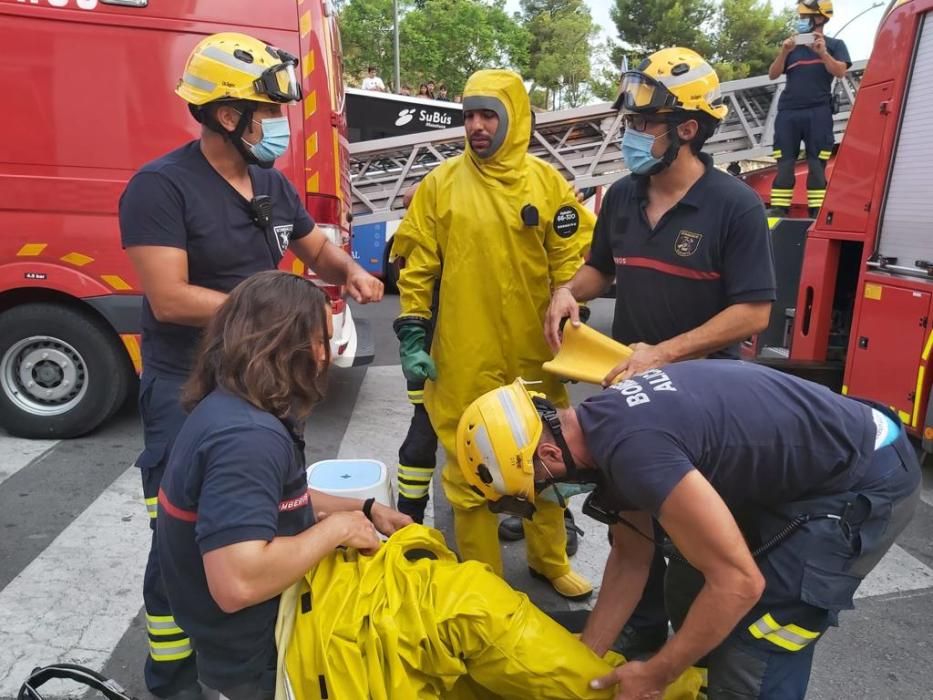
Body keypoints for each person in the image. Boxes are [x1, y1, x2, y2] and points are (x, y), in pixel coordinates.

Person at [156, 271, 702, 700]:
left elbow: (278, 500)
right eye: (322, 341)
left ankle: (587, 674)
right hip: (275, 638)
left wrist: (365, 508)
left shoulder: (230, 412)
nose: (326, 355)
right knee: (473, 610)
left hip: (287, 608)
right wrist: (338, 530)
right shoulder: (246, 439)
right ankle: (633, 689)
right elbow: (238, 583)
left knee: (452, 592)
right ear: (285, 345)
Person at [119, 32, 383, 700]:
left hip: (263, 379)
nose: (279, 128)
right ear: (227, 115)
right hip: (190, 388)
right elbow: (169, 297)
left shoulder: (268, 182)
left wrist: (348, 270)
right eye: (266, 114)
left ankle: (250, 644)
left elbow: (313, 250)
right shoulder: (161, 188)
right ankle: (173, 677)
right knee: (178, 543)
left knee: (261, 509)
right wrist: (277, 318)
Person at [459, 362, 922, 700]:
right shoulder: (600, 425)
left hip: (860, 475)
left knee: (763, 637)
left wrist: (657, 673)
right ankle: (701, 684)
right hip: (804, 464)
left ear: (549, 455)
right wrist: (587, 656)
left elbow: (741, 583)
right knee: (688, 581)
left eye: (541, 487)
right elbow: (631, 557)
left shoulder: (637, 454)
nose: (552, 496)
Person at [541, 46, 776, 657]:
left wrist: (665, 354)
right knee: (632, 524)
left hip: (710, 410)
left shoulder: (735, 207)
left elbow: (753, 311)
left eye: (645, 124)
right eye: (632, 124)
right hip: (631, 388)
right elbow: (600, 270)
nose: (632, 136)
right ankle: (635, 637)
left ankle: (693, 650)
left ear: (688, 129)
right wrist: (569, 292)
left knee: (697, 540)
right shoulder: (621, 197)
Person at [391, 68, 596, 600]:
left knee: (545, 457)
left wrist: (568, 292)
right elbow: (418, 269)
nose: (477, 127)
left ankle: (549, 560)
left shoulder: (548, 184)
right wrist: (413, 336)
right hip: (465, 352)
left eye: (488, 115)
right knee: (467, 466)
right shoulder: (440, 186)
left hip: (534, 354)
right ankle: (485, 581)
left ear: (514, 118)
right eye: (469, 117)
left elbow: (571, 260)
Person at [768, 0, 851, 217]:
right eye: (800, 17)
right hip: (788, 113)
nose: (801, 21)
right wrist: (785, 52)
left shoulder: (835, 45)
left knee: (816, 163)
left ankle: (816, 212)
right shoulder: (792, 48)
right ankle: (779, 210)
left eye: (805, 17)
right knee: (785, 163)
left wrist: (823, 53)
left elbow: (840, 71)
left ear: (820, 18)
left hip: (818, 112)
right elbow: (773, 74)